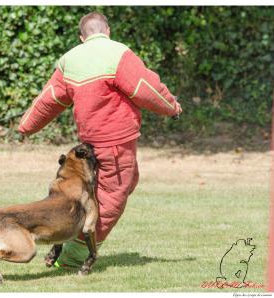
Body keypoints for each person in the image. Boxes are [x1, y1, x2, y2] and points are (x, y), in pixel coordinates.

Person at [17, 12, 182, 268]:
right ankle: (73, 257)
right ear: (107, 31)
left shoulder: (69, 59)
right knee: (110, 200)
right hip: (117, 142)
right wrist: (172, 107)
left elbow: (49, 99)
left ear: (82, 37)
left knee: (119, 186)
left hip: (89, 144)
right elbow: (145, 88)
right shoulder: (118, 54)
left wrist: (27, 125)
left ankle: (66, 241)